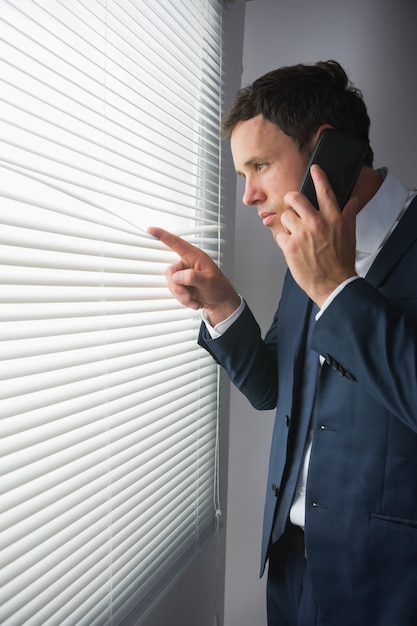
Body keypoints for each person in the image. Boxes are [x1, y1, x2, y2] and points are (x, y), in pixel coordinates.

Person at [147, 60, 417, 626]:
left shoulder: (322, 258)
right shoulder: (303, 247)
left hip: (391, 587)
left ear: (326, 151)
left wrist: (337, 289)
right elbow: (276, 387)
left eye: (260, 166)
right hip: (290, 573)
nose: (249, 196)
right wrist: (223, 305)